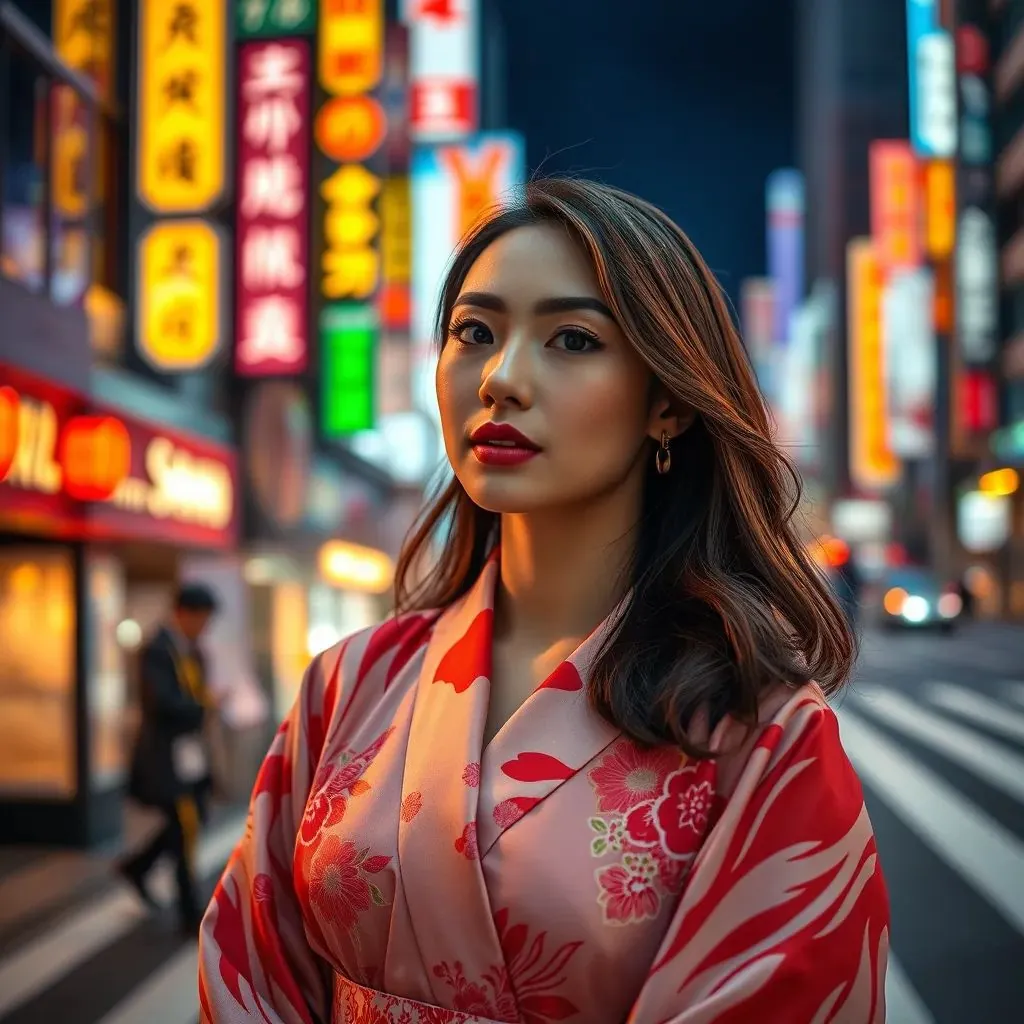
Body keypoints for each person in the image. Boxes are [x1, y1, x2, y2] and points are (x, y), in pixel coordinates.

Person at [199, 180, 889, 1022]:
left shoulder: (760, 732)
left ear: (667, 402)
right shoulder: (346, 685)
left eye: (570, 339)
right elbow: (249, 966)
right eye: (474, 333)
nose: (501, 378)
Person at [121, 582, 219, 935]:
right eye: (202, 620)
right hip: (165, 758)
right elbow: (160, 703)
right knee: (185, 827)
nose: (204, 627)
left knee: (188, 824)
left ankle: (138, 867)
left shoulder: (189, 649)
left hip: (188, 757)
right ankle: (190, 911)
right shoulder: (158, 649)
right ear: (184, 614)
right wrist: (204, 707)